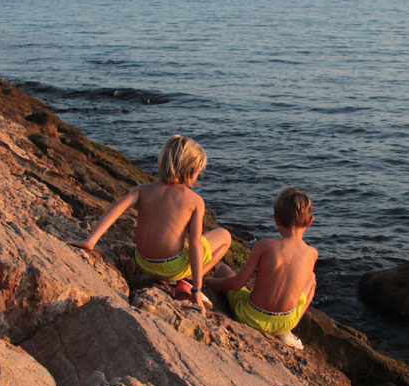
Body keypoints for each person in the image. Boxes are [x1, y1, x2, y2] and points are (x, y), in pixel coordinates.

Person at [68, 135, 231, 307]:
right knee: (225, 236)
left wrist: (90, 241)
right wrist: (197, 290)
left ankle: (178, 279)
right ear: (190, 170)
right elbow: (196, 243)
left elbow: (114, 210)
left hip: (144, 262)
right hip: (172, 267)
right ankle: (189, 282)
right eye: (198, 171)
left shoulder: (142, 189)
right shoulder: (194, 200)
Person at [207, 187, 318, 349]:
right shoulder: (312, 253)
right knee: (312, 279)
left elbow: (237, 284)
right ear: (310, 221)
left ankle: (277, 322)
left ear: (276, 219)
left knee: (222, 270)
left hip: (251, 317)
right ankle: (287, 331)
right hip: (285, 322)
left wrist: (208, 282)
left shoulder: (265, 245)